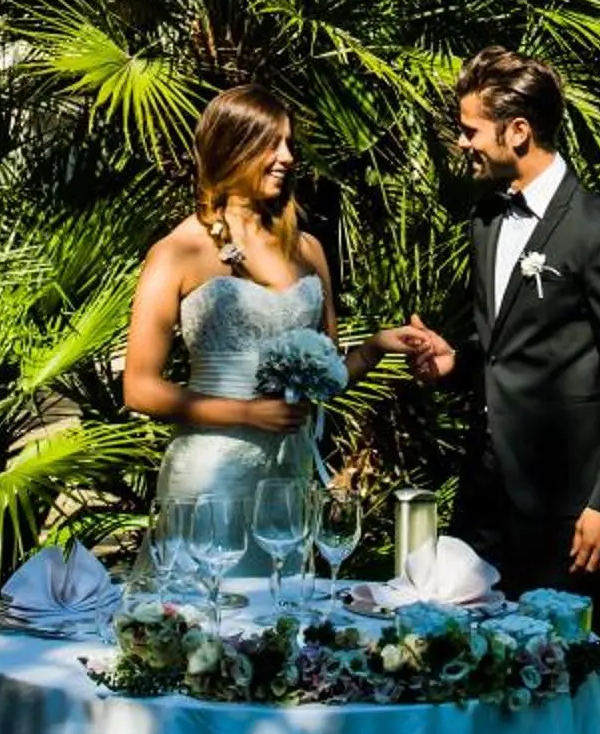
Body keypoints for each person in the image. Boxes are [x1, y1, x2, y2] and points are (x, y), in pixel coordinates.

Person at [398, 47, 600, 620]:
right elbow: (505, 347)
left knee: (556, 670)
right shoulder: (486, 219)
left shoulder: (598, 233)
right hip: (483, 500)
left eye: (471, 131)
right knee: (463, 656)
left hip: (566, 510)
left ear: (517, 131)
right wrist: (455, 363)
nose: (462, 144)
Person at [123, 86, 408, 577]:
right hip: (211, 480)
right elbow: (139, 386)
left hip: (287, 479)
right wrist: (247, 413)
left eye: (288, 144)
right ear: (230, 149)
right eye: (271, 145)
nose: (287, 158)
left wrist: (381, 346)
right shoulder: (177, 252)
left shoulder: (309, 250)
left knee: (279, 627)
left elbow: (329, 371)